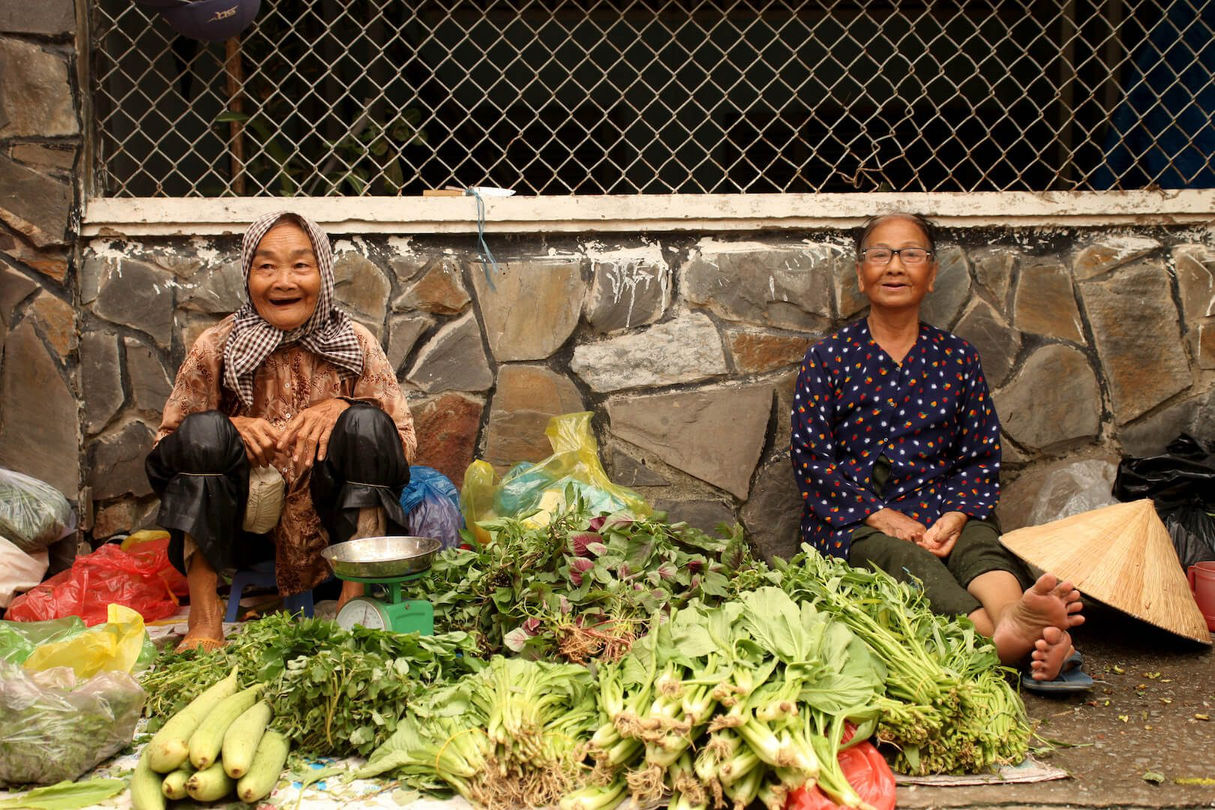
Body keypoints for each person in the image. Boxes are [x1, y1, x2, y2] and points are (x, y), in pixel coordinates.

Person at [790, 212, 1086, 684]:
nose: (894, 266)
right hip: (855, 522)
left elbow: (980, 456)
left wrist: (956, 516)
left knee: (981, 543)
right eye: (879, 254)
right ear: (860, 274)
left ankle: (1015, 614)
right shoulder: (829, 357)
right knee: (909, 562)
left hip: (943, 510)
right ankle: (1009, 639)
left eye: (911, 254)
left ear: (931, 276)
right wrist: (882, 516)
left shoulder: (958, 357)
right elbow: (811, 463)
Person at [146, 211, 415, 652]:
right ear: (248, 275)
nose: (283, 281)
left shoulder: (355, 341)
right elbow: (165, 452)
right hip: (245, 525)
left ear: (322, 273)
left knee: (367, 423)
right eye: (266, 266)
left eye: (301, 265)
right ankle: (204, 619)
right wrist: (228, 431)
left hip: (332, 523)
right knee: (203, 433)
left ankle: (355, 606)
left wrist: (345, 409)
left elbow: (403, 445)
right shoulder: (218, 344)